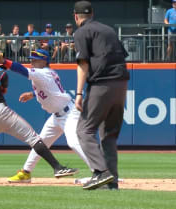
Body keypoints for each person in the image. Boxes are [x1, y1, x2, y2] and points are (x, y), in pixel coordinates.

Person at [0, 52, 78, 184]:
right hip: (1, 112)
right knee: (34, 139)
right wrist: (3, 87)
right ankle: (57, 167)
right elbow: (2, 75)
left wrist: (0, 66)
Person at [0, 46, 91, 183]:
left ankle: (100, 172)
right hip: (56, 116)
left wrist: (3, 60)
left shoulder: (43, 72)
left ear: (44, 61)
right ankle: (26, 173)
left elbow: (21, 69)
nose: (32, 61)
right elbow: (49, 90)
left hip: (68, 114)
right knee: (39, 142)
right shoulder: (46, 73)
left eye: (36, 59)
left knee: (74, 142)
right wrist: (33, 94)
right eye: (31, 59)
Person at [73, 1, 130, 190]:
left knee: (84, 130)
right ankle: (111, 182)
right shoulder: (108, 30)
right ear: (92, 14)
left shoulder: (81, 32)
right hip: (121, 83)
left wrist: (79, 93)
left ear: (76, 16)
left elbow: (83, 64)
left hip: (102, 84)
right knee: (109, 135)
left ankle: (100, 172)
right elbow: (123, 54)